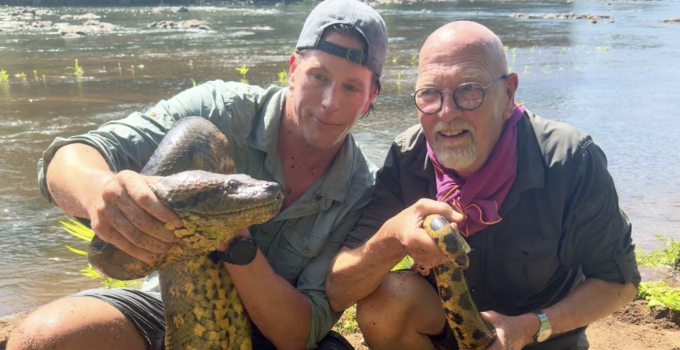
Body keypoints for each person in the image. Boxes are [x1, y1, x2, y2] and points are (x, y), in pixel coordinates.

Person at [8, 1, 387, 349]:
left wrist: (231, 236)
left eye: (351, 86)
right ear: (293, 69)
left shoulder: (363, 189)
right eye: (319, 76)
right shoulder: (217, 110)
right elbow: (66, 159)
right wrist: (99, 191)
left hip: (270, 331)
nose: (329, 102)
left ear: (370, 97)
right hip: (165, 302)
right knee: (41, 338)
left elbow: (298, 332)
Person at [326, 21, 640, 350]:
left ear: (508, 94)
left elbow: (619, 282)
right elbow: (339, 288)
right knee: (383, 303)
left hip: (540, 340)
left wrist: (528, 328)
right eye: (430, 94)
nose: (447, 113)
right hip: (447, 336)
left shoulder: (570, 160)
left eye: (469, 90)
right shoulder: (407, 158)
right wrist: (391, 238)